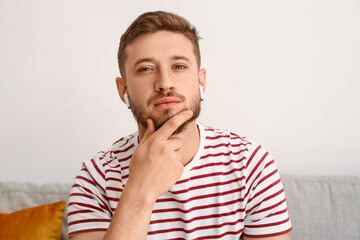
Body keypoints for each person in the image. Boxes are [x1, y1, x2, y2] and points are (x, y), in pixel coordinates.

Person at [67, 11, 292, 240]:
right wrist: (140, 190)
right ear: (123, 90)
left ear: (201, 81)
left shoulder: (251, 163)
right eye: (146, 68)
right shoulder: (95, 179)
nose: (165, 83)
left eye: (179, 66)